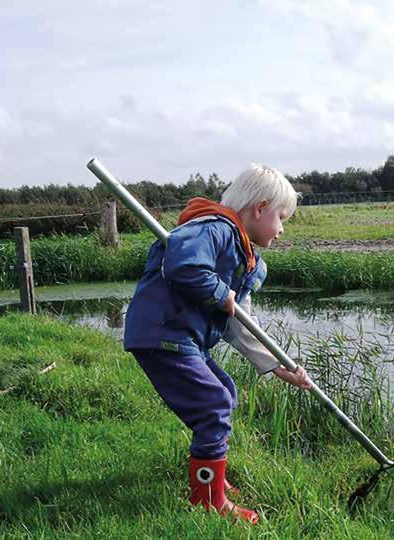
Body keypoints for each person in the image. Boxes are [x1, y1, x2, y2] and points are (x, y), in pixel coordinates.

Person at [123, 163, 311, 525]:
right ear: (259, 208)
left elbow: (241, 326)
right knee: (213, 404)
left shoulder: (249, 261)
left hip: (184, 338)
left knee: (224, 391)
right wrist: (220, 292)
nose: (283, 228)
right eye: (281, 217)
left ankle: (213, 479)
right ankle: (208, 499)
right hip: (164, 333)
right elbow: (184, 266)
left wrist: (279, 367)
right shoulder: (213, 228)